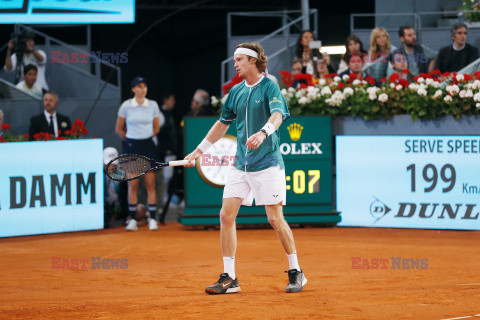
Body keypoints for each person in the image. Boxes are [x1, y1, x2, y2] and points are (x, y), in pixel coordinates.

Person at [184, 42, 307, 294]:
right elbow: (222, 125)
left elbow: (278, 116)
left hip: (268, 163)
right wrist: (199, 151)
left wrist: (263, 133)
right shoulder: (235, 92)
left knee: (274, 218)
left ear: (253, 61)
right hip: (241, 165)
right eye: (235, 60)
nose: (235, 64)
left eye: (239, 59)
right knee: (225, 216)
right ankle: (229, 278)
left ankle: (296, 271)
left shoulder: (270, 87)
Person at [115, 76, 164, 231]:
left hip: (148, 146)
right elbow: (119, 129)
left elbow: (156, 128)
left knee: (150, 184)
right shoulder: (126, 106)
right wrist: (130, 140)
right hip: (132, 146)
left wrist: (145, 138)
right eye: (139, 86)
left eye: (144, 86)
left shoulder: (153, 105)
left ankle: (153, 220)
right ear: (133, 89)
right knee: (133, 185)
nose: (142, 89)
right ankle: (133, 220)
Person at [156, 93, 178, 207]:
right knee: (165, 178)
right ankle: (162, 199)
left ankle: (164, 198)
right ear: (165, 100)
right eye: (172, 99)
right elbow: (156, 134)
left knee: (168, 177)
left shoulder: (169, 114)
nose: (173, 102)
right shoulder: (160, 115)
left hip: (170, 152)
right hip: (164, 153)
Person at [103, 147, 120, 228]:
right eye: (108, 164)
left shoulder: (123, 174)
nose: (111, 166)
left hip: (120, 209)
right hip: (104, 209)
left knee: (140, 210)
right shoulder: (98, 175)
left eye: (113, 164)